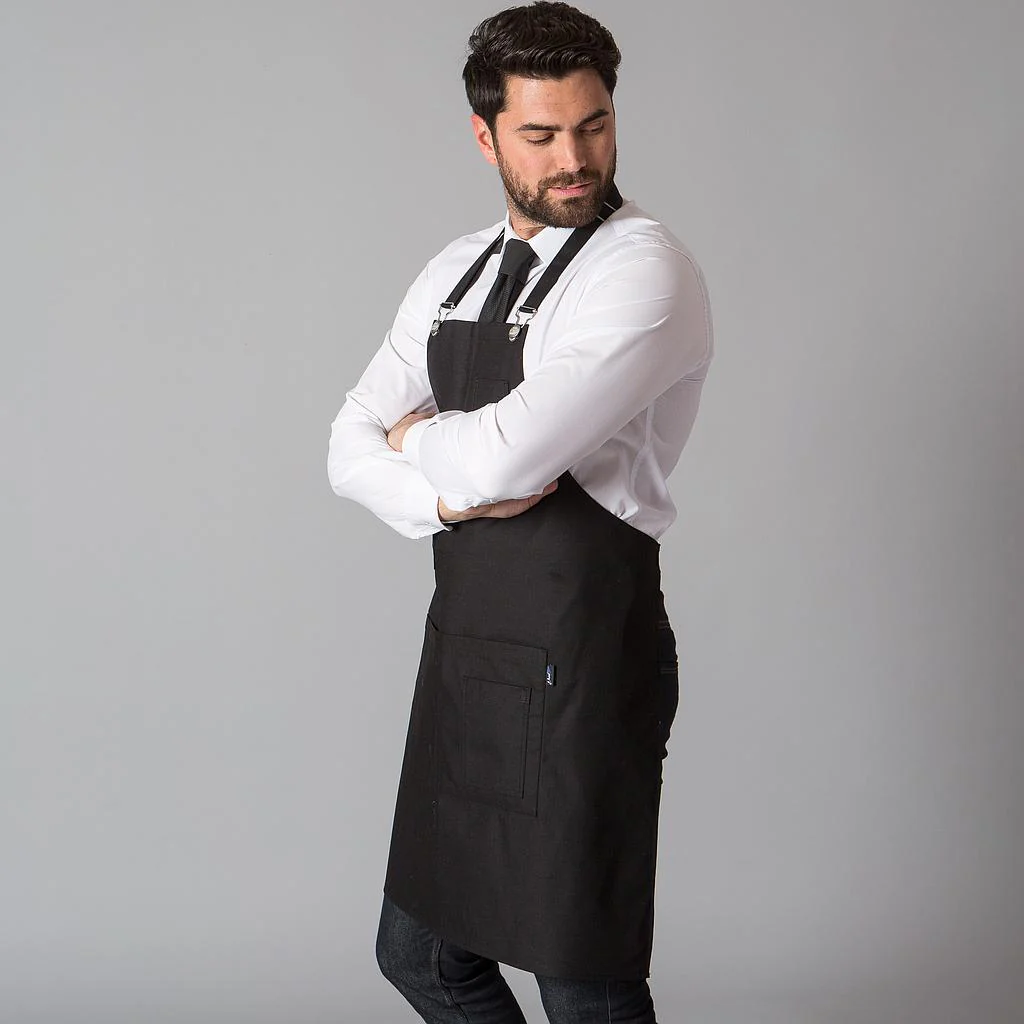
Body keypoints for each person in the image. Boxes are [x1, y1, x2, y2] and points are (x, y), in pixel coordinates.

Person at [327, 3, 713, 1020]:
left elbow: (509, 456)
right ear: (485, 135)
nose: (574, 159)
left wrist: (412, 439)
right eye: (541, 135)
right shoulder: (452, 271)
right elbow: (344, 447)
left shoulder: (642, 270)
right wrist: (440, 483)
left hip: (586, 663)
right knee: (421, 955)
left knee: (580, 981)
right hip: (468, 656)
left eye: (593, 125)